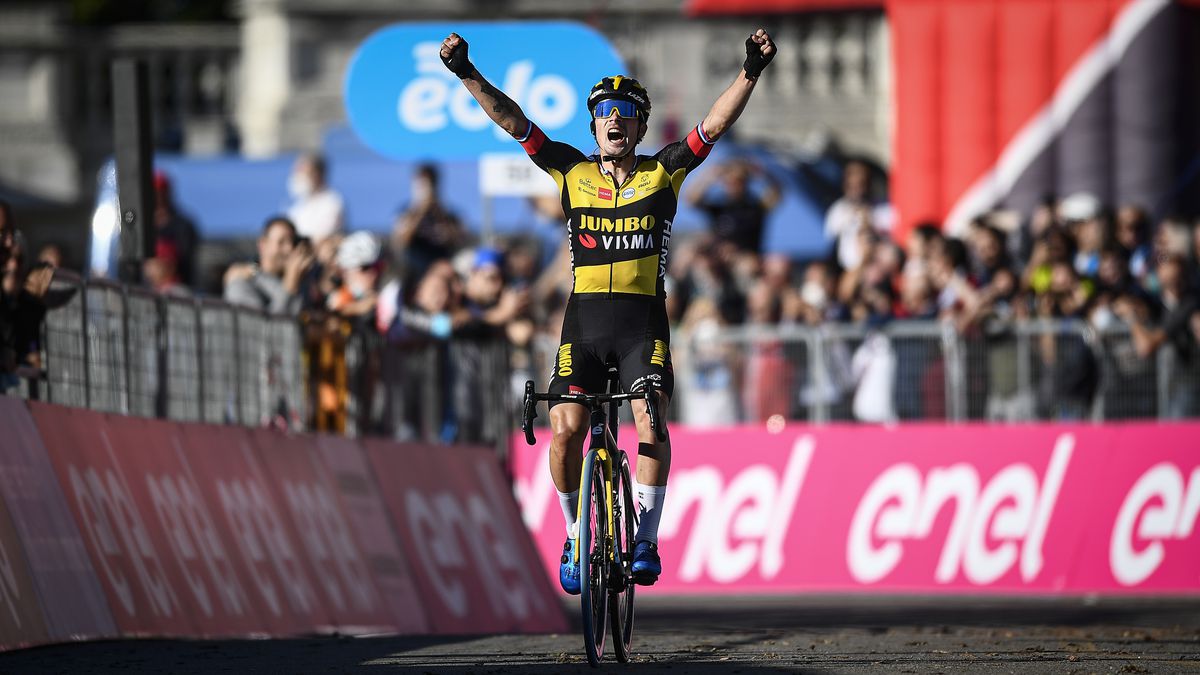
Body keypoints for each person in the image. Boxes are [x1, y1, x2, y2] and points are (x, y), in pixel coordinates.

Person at [440, 27, 776, 592]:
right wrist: (467, 74)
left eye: (625, 113)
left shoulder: (662, 170)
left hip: (642, 324)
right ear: (593, 125)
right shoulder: (570, 169)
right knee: (565, 428)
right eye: (603, 113)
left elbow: (713, 126)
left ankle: (645, 538)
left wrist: (749, 71)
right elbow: (512, 120)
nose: (614, 121)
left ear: (641, 126)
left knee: (649, 418)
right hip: (585, 322)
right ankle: (574, 533)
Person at [391, 164, 467, 283]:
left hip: (441, 274)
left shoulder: (449, 214)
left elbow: (458, 240)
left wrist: (437, 210)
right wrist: (421, 209)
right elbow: (401, 241)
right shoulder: (405, 213)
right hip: (414, 273)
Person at [686, 159, 780, 255]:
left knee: (748, 265)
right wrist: (709, 177)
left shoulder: (755, 207)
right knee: (689, 252)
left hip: (745, 257)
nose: (732, 186)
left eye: (737, 181)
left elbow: (776, 193)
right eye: (728, 182)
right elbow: (692, 200)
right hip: (719, 255)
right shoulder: (720, 207)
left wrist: (762, 174)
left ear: (745, 183)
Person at [223, 216, 313, 315]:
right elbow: (264, 328)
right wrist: (290, 283)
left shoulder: (300, 283)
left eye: (292, 242)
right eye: (281, 242)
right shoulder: (241, 282)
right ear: (263, 244)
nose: (289, 249)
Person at [286, 153, 345, 245]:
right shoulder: (297, 206)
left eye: (303, 172)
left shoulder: (332, 203)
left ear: (318, 174)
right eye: (296, 172)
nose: (298, 177)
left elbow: (321, 239)